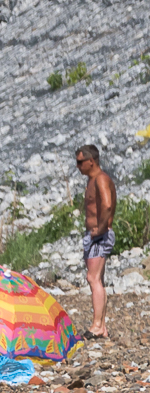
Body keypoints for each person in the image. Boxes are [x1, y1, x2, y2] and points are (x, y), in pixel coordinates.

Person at [78, 144, 117, 338]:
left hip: (99, 236)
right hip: (94, 235)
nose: (78, 167)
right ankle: (101, 325)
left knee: (92, 278)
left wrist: (100, 230)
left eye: (80, 162)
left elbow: (108, 205)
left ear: (90, 161)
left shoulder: (101, 179)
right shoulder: (92, 180)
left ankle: (97, 325)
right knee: (97, 279)